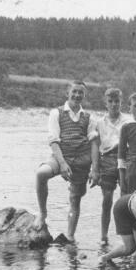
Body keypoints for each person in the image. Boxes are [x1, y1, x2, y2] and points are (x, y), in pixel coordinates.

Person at [33, 80, 96, 241]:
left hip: (81, 161)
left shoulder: (88, 117)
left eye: (80, 92)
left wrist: (95, 168)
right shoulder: (56, 113)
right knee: (41, 174)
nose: (77, 95)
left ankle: (70, 236)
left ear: (84, 95)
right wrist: (62, 163)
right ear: (67, 93)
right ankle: (42, 213)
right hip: (60, 156)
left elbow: (94, 143)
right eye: (74, 91)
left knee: (75, 199)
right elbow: (53, 141)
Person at [90, 87, 131, 243]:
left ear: (121, 102)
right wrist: (95, 169)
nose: (114, 104)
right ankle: (104, 236)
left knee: (125, 198)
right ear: (105, 103)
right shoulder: (99, 123)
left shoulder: (128, 121)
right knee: (107, 198)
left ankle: (125, 236)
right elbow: (95, 145)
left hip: (124, 158)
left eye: (117, 101)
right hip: (106, 159)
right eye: (111, 101)